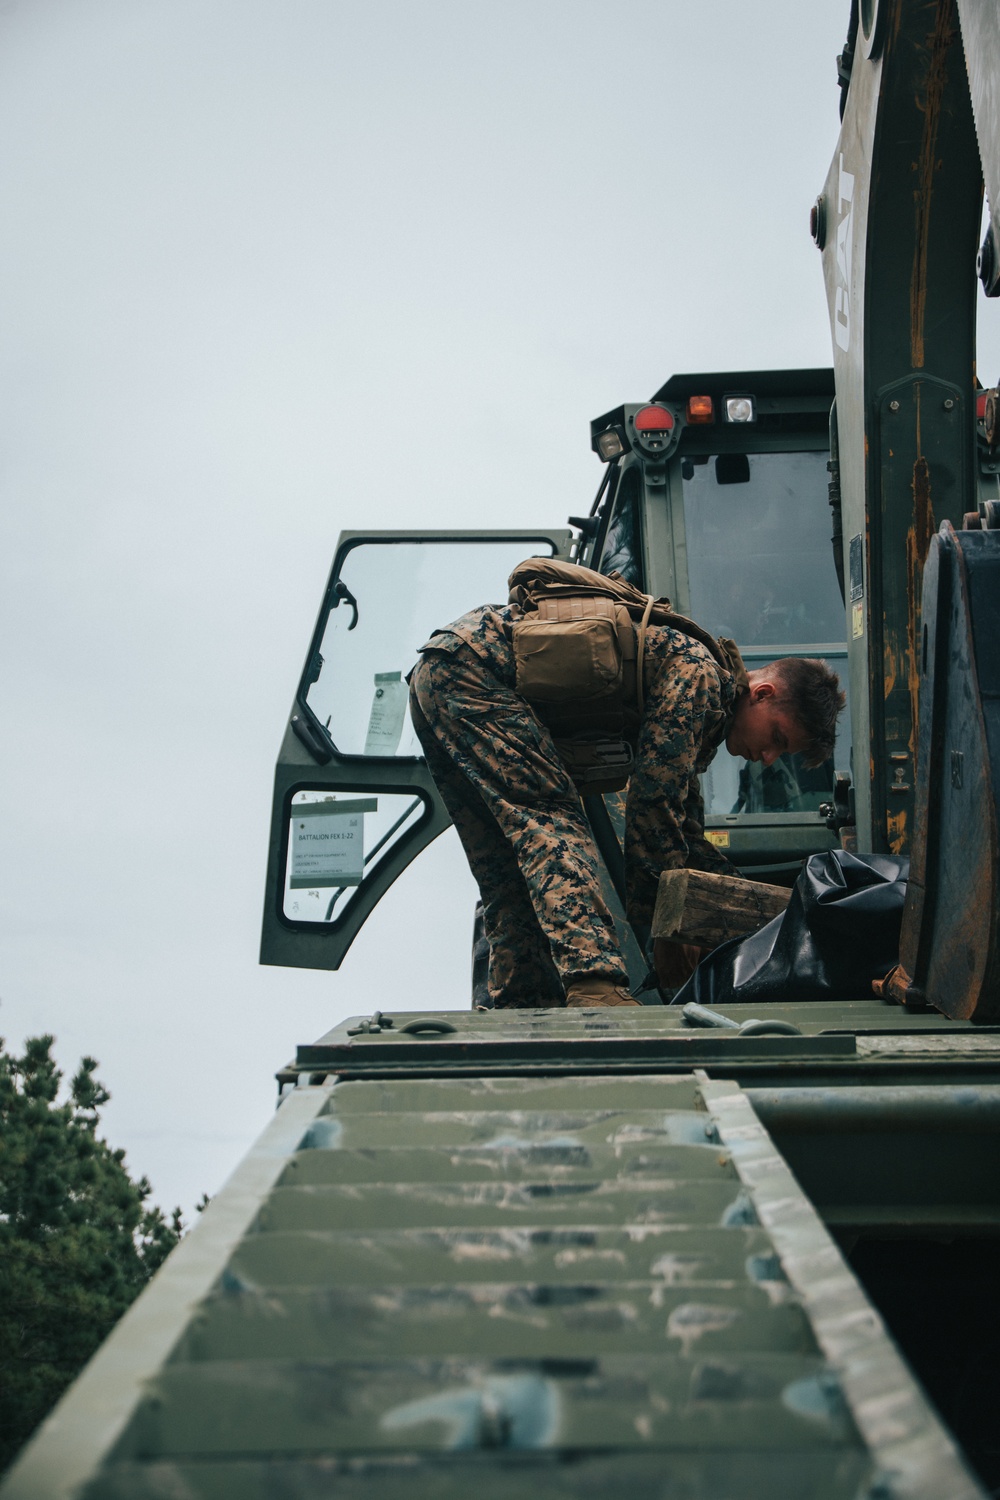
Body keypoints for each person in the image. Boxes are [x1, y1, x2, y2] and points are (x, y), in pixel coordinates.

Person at [409, 595, 843, 1009]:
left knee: (504, 865)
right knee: (552, 823)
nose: (767, 758)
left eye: (780, 754)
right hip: (473, 673)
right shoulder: (701, 678)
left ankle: (521, 1002)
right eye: (777, 739)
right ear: (762, 694)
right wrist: (668, 929)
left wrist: (747, 911)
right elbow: (652, 807)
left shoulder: (707, 711)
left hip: (442, 671)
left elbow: (682, 832)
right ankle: (594, 983)